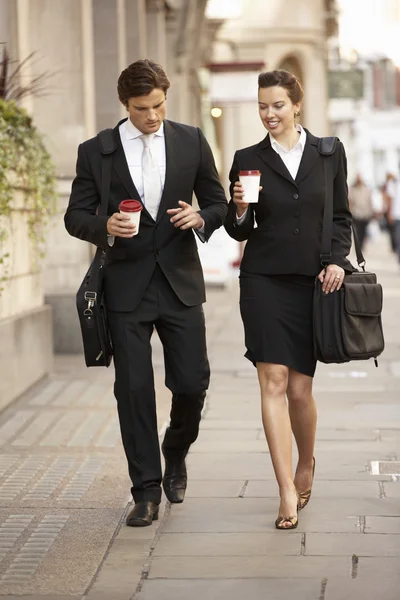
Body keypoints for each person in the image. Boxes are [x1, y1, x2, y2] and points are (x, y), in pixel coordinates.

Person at [65, 59, 228, 527]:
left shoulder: (191, 139)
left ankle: (175, 453)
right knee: (133, 392)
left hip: (179, 283)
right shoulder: (96, 150)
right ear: (125, 105)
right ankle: (146, 491)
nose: (153, 115)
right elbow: (75, 216)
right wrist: (105, 226)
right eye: (142, 108)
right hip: (126, 287)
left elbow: (215, 201)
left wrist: (202, 218)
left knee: (193, 383)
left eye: (159, 105)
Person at [224, 70, 353, 530]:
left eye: (277, 105)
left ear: (296, 105)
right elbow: (238, 229)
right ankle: (284, 489)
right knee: (273, 381)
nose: (268, 113)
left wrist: (338, 259)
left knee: (300, 389)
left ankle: (306, 462)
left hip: (313, 281)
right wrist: (238, 207)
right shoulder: (247, 158)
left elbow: (340, 215)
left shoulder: (328, 152)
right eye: (262, 105)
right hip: (263, 280)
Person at [349, 174, 374, 251]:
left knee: (363, 231)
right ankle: (358, 245)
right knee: (357, 231)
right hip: (356, 213)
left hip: (365, 214)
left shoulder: (366, 189)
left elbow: (369, 201)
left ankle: (362, 245)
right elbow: (350, 201)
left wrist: (371, 212)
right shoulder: (352, 189)